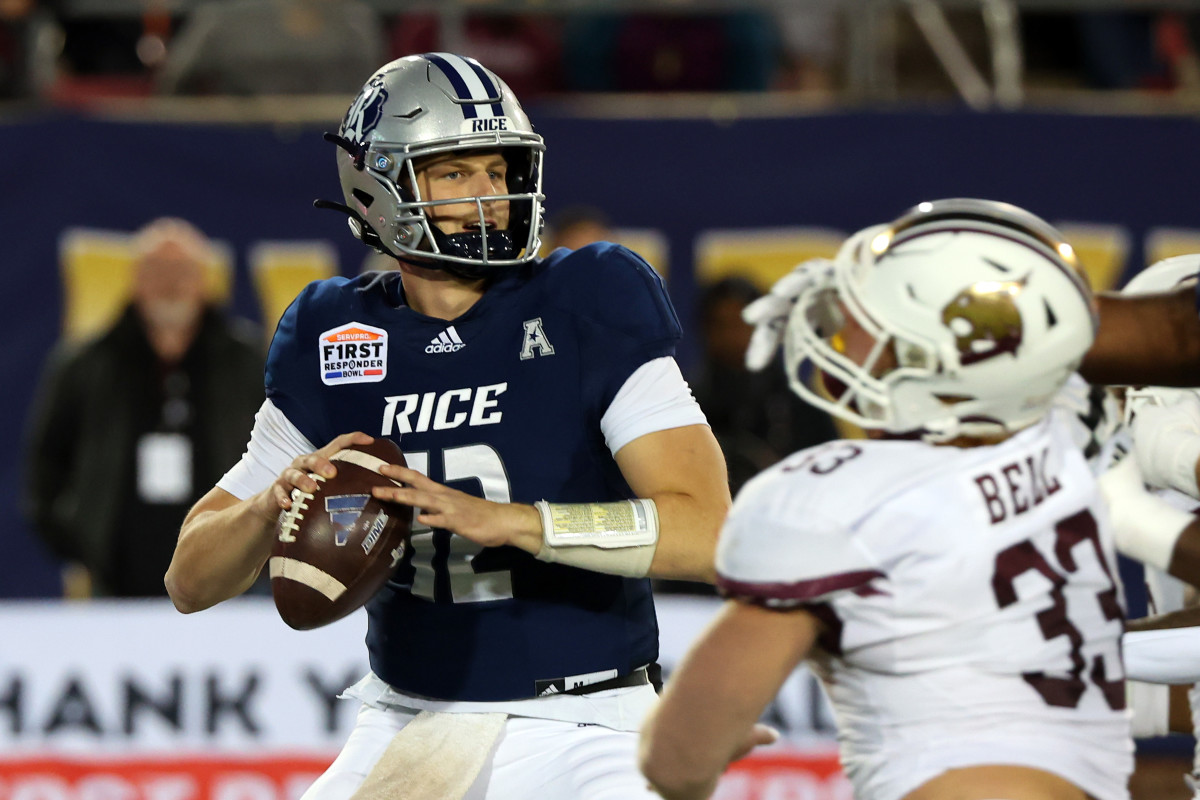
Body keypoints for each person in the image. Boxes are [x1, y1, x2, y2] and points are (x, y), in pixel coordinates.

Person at [164, 52, 729, 800]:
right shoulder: (335, 334)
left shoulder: (586, 299)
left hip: (587, 717)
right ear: (380, 186)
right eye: (456, 173)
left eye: (498, 170)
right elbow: (189, 581)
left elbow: (710, 530)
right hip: (406, 718)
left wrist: (519, 524)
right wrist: (269, 508)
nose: (490, 194)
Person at [639, 199, 1200, 800]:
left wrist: (693, 743)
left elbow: (677, 760)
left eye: (865, 317)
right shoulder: (1061, 453)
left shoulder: (838, 498)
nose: (837, 333)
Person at [24, 217, 264, 598]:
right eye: (157, 270)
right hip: (117, 585)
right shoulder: (85, 365)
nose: (170, 284)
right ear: (134, 280)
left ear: (206, 281)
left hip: (229, 580)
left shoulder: (251, 363)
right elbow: (45, 470)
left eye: (182, 271)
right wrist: (82, 543)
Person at [690, 275, 837, 495]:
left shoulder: (801, 404)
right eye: (721, 324)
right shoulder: (690, 406)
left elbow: (831, 481)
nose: (732, 335)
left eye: (743, 323)